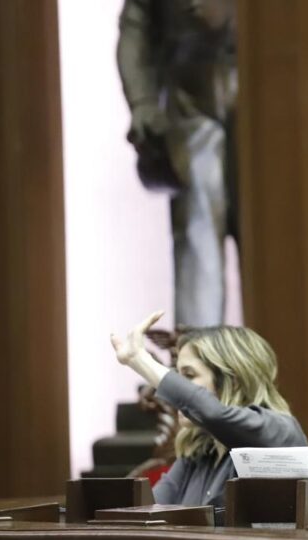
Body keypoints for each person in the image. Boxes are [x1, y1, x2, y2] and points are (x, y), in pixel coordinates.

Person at [117, 0, 238, 327]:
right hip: (193, 117)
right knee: (198, 257)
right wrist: (142, 104)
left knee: (280, 252)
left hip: (268, 117)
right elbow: (135, 28)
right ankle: (197, 367)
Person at [111, 311, 307, 510]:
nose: (177, 392)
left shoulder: (279, 431)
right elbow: (148, 511)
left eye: (188, 375)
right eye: (177, 378)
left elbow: (213, 413)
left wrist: (139, 359)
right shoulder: (198, 451)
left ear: (234, 382)